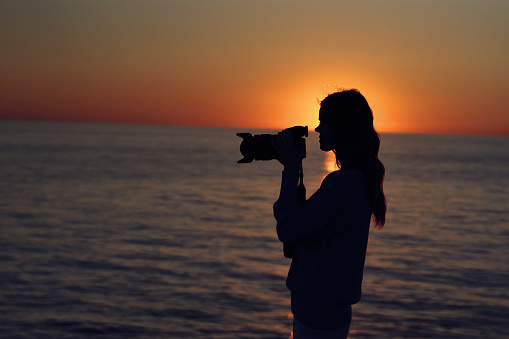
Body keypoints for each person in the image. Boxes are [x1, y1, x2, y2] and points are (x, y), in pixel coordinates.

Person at [272, 89, 386, 339]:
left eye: (324, 121)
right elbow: (308, 227)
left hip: (318, 315)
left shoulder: (345, 184)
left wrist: (290, 169)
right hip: (325, 311)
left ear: (342, 127)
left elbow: (289, 230)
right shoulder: (357, 180)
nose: (317, 128)